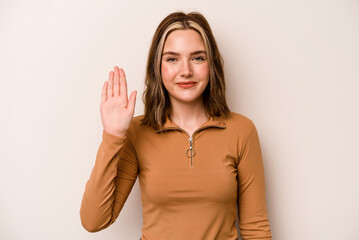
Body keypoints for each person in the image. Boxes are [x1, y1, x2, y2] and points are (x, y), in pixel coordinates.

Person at [80, 11, 272, 240]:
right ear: (157, 67)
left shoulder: (242, 131)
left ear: (211, 65)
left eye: (197, 58)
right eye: (172, 59)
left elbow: (255, 228)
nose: (186, 71)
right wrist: (112, 135)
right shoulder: (136, 132)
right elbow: (94, 221)